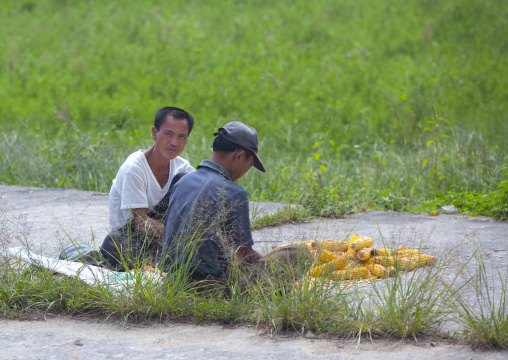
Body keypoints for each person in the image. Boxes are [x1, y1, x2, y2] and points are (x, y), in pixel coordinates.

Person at [160, 121, 312, 288]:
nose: (247, 170)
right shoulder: (232, 192)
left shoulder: (182, 180)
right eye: (250, 163)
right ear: (239, 156)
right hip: (209, 288)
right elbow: (244, 256)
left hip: (172, 281)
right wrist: (263, 259)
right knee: (298, 253)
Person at [100, 107, 195, 269]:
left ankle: (163, 261)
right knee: (113, 244)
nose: (174, 142)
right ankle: (166, 262)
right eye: (168, 134)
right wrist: (179, 240)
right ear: (154, 133)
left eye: (181, 137)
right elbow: (141, 221)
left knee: (188, 181)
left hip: (163, 238)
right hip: (131, 236)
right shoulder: (134, 168)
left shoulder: (182, 167)